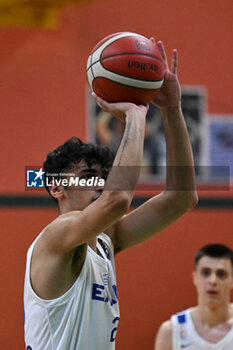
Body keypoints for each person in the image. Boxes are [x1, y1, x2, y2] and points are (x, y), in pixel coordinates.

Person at [24, 40, 198, 350]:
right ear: (56, 187)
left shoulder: (106, 240)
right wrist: (136, 115)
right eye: (88, 177)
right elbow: (118, 200)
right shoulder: (55, 237)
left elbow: (182, 197)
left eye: (103, 178)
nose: (100, 185)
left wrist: (172, 109)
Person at [154, 243, 233, 350]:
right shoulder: (172, 331)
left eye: (221, 274)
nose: (213, 281)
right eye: (206, 273)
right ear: (195, 277)